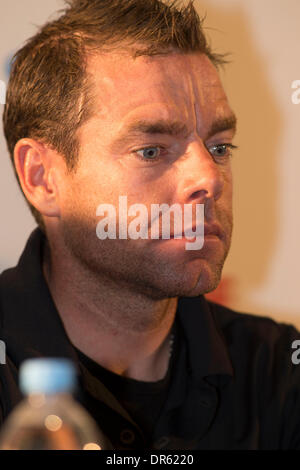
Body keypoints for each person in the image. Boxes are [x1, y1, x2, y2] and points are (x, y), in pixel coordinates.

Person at [1, 0, 300, 450]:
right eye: (152, 150)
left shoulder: (278, 371)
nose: (208, 180)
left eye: (219, 147)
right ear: (42, 177)